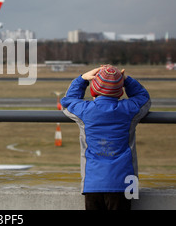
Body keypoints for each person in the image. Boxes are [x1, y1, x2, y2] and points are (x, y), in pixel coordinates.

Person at [60, 65, 151, 210]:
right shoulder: (129, 109)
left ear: (93, 90)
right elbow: (144, 99)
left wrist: (82, 79)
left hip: (93, 183)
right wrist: (124, 79)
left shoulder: (85, 110)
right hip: (125, 183)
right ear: (120, 92)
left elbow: (67, 101)